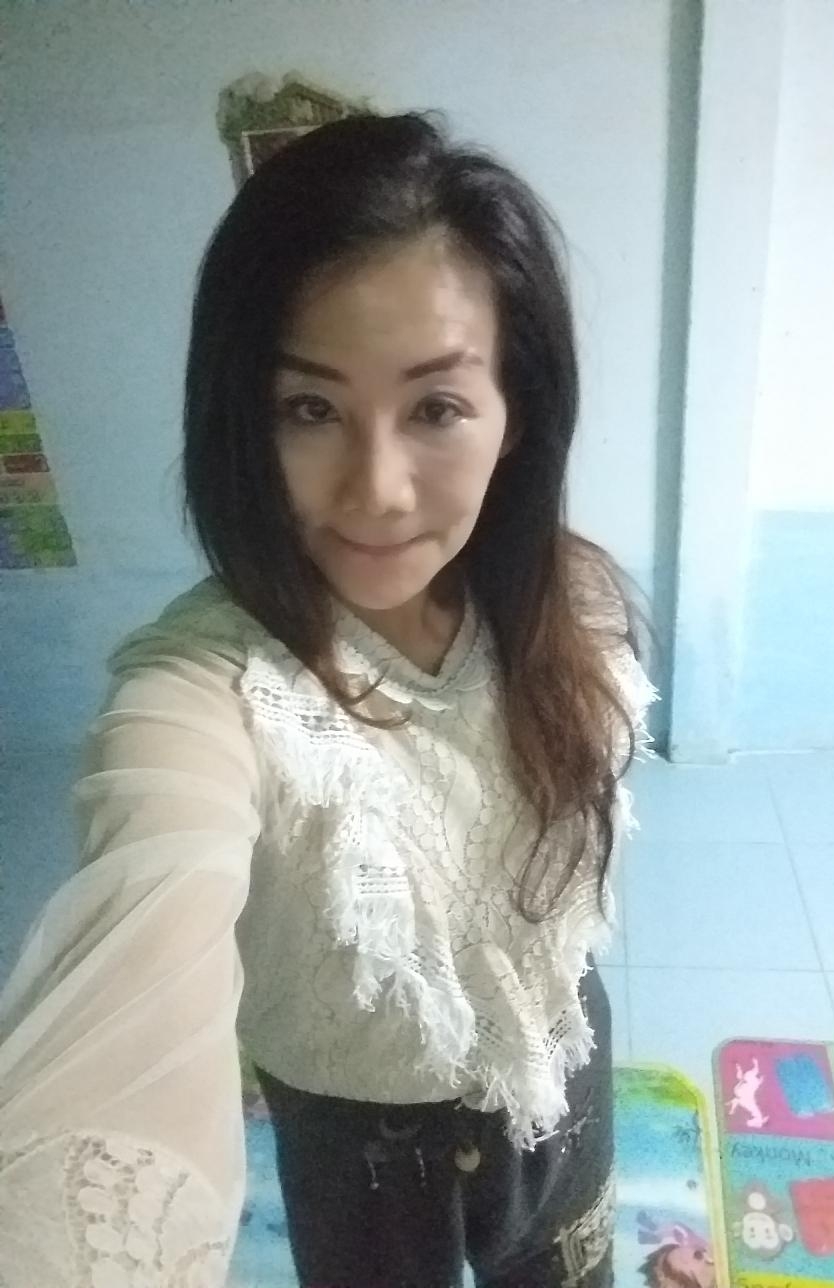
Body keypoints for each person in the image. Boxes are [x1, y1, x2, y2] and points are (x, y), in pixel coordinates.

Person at [0, 111, 656, 1287]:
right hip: (358, 1146)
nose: (378, 488)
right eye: (311, 408)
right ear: (245, 418)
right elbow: (136, 937)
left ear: (516, 409)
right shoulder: (202, 689)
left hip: (559, 1061)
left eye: (436, 407)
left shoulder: (578, 602)